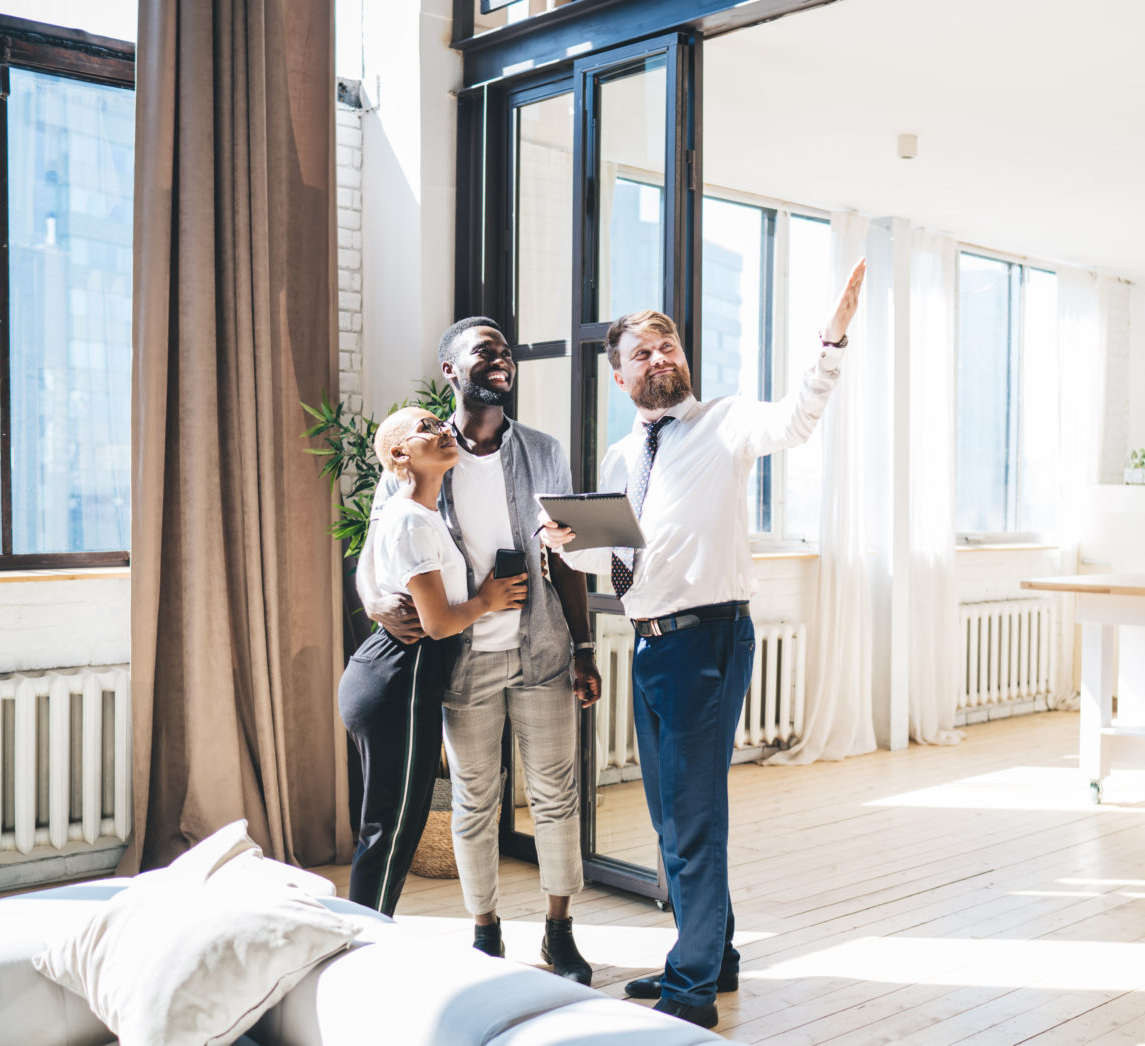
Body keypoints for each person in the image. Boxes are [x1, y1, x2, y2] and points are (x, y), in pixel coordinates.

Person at [540, 259, 866, 1028]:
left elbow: (796, 418)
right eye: (643, 353)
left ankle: (691, 987)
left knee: (691, 820)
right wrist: (565, 544)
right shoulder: (623, 459)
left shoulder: (724, 422)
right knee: (670, 818)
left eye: (670, 346)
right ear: (620, 378)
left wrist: (832, 338)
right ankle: (712, 959)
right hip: (651, 644)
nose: (662, 358)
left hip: (708, 641)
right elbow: (623, 561)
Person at [357, 318, 603, 983]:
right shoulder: (419, 453)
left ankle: (559, 929)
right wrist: (373, 602)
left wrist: (583, 643)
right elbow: (373, 553)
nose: (503, 360)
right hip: (464, 658)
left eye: (507, 352)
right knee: (474, 796)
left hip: (544, 648)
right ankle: (485, 933)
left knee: (556, 793)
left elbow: (568, 555)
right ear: (450, 372)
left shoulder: (546, 452)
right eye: (485, 351)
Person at [338, 407, 526, 915]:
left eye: (441, 424)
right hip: (397, 681)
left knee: (398, 824)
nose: (443, 431)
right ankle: (360, 951)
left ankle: (368, 938)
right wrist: (489, 600)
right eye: (426, 429)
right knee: (390, 827)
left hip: (401, 681)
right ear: (400, 455)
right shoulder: (409, 519)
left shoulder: (419, 516)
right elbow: (439, 623)